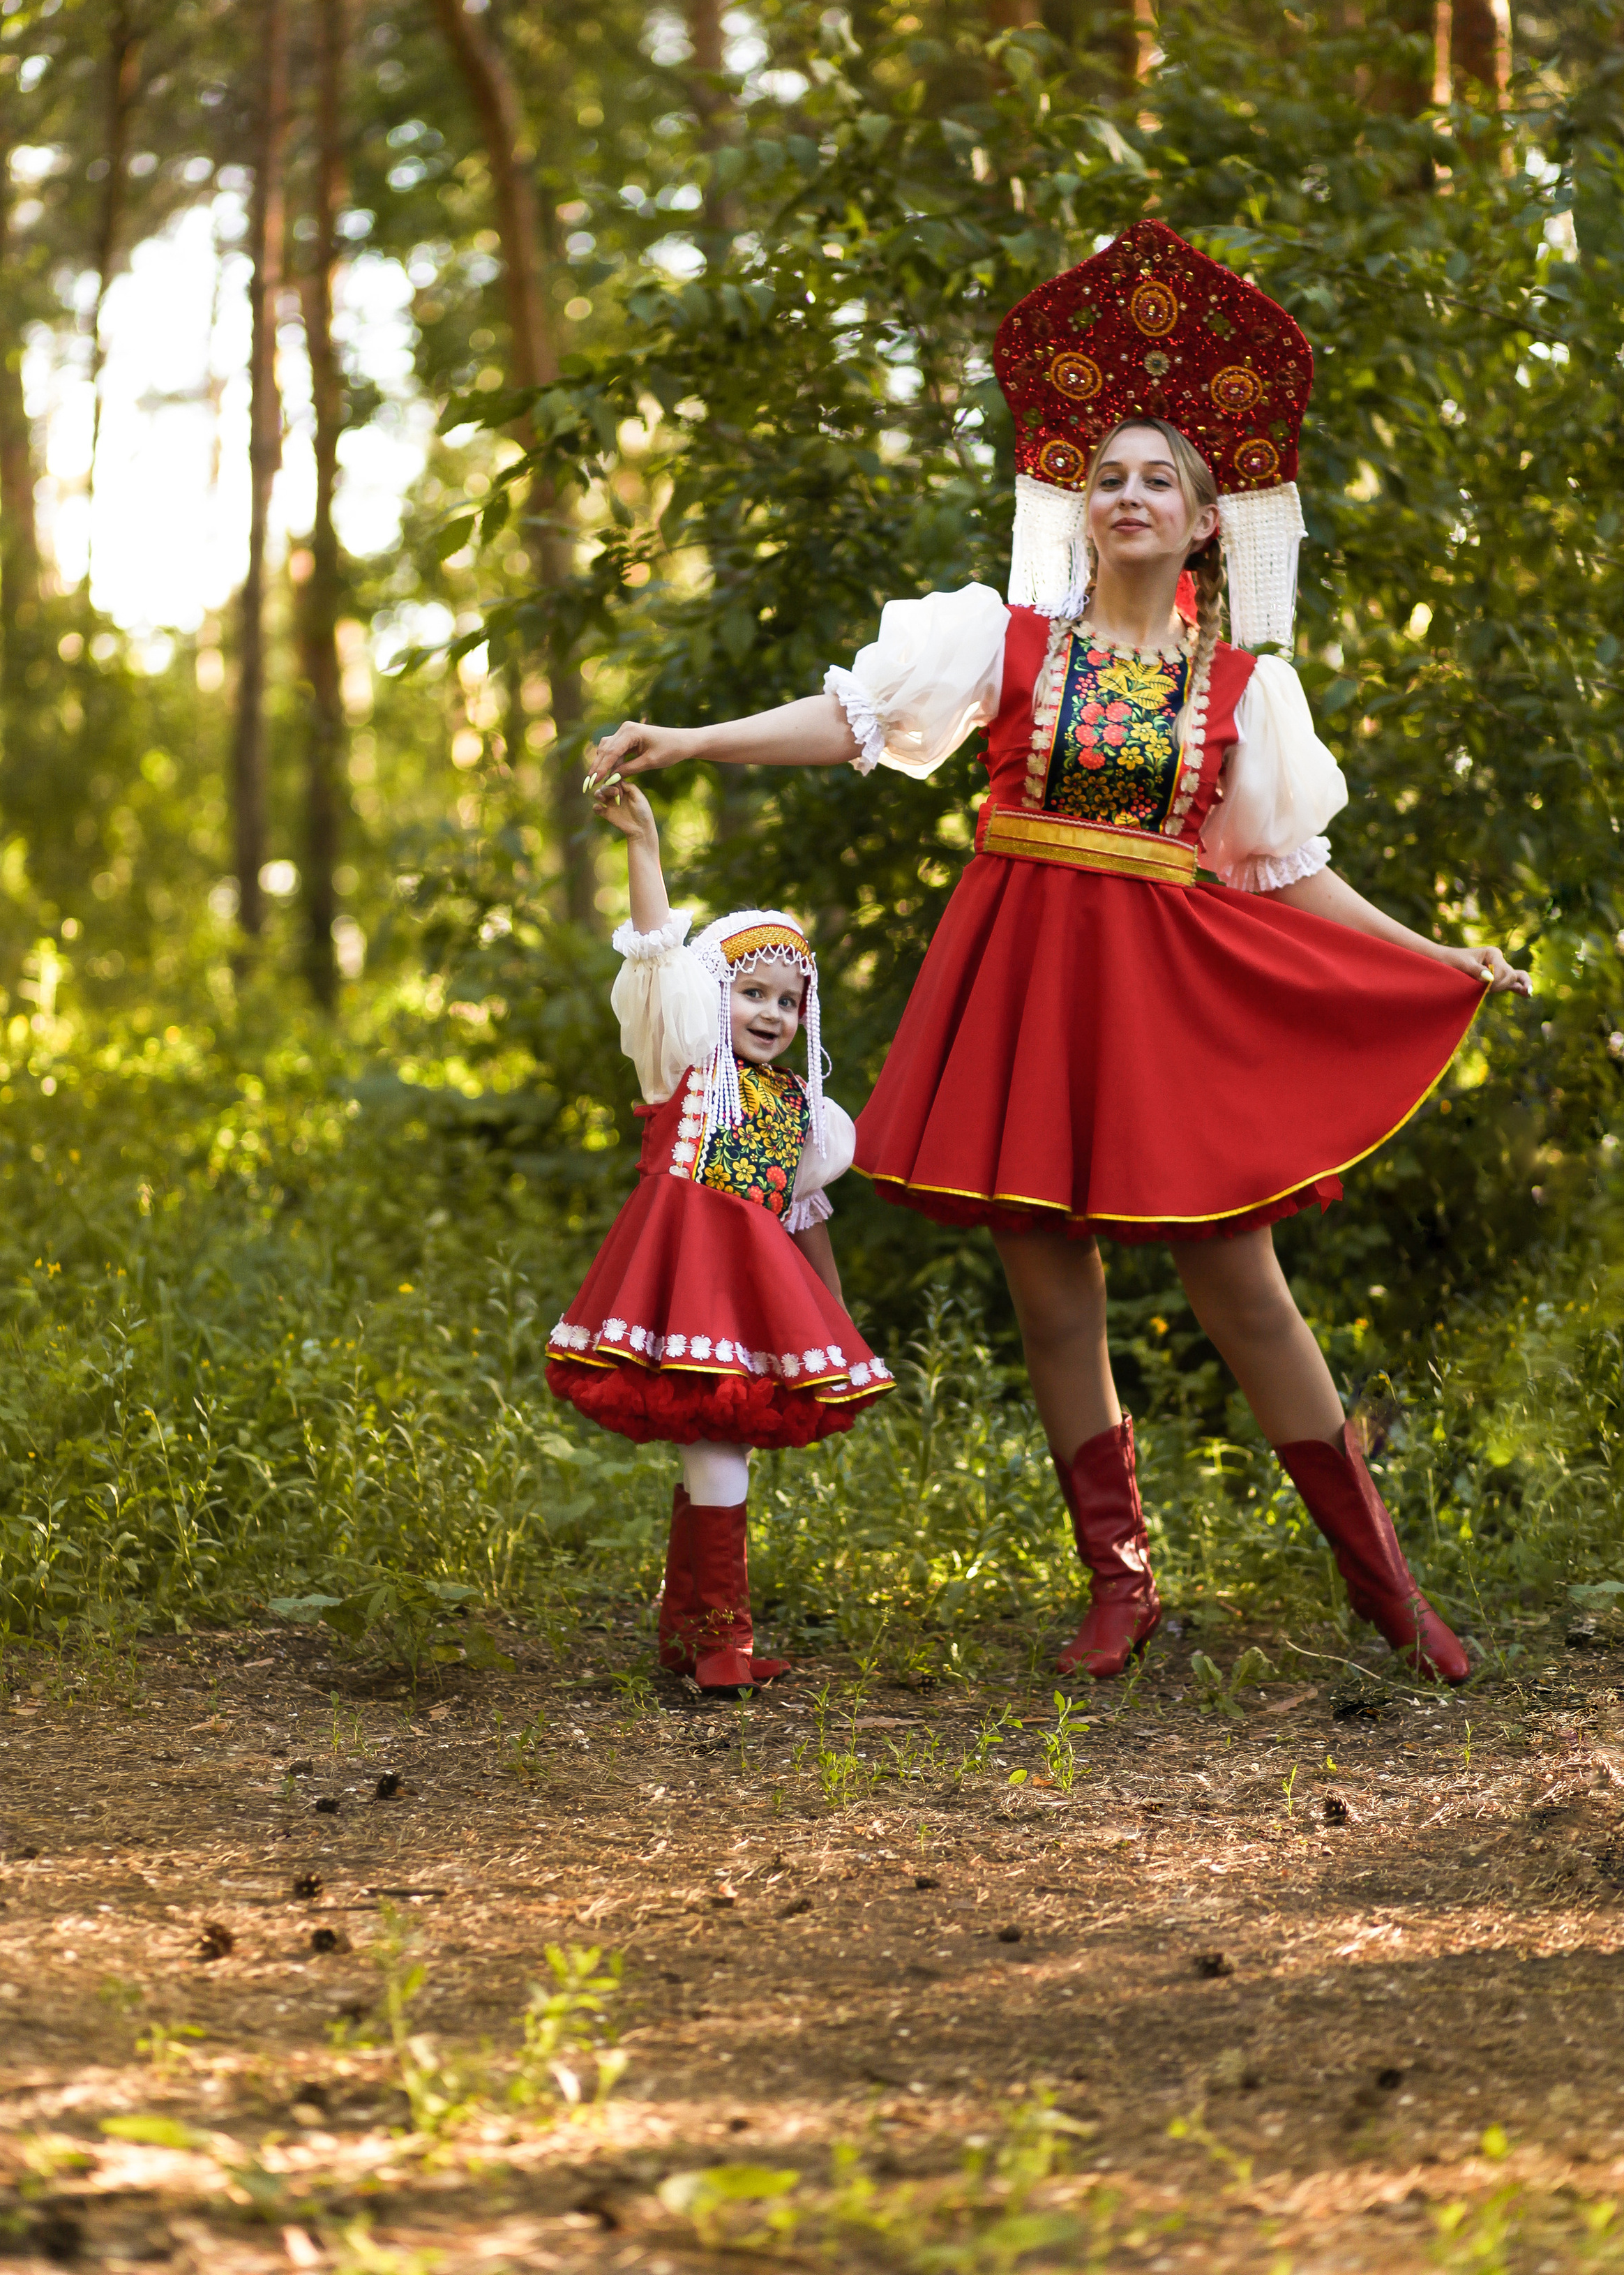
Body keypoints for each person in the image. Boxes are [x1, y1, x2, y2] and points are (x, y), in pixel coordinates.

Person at [586, 220, 1530, 1688]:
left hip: (1159, 997)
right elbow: (850, 723)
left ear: (1208, 520)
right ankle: (1119, 1581)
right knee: (1050, 1285)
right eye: (1108, 477)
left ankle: (1385, 1591)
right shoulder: (1001, 642)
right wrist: (694, 738)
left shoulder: (1241, 692)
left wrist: (1435, 952)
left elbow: (1287, 869)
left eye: (1162, 478)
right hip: (1024, 974)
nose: (1131, 494)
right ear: (1078, 510)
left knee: (1241, 1280)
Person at [546, 776, 891, 1694]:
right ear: (715, 993)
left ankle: (692, 1630)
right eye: (753, 994)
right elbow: (659, 967)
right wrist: (645, 850)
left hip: (754, 1290)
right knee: (718, 1440)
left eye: (789, 1002)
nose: (773, 1016)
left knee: (718, 1440)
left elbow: (803, 1217)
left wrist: (834, 1318)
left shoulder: (806, 1112)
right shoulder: (685, 1064)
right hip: (682, 1273)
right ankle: (722, 1642)